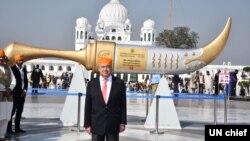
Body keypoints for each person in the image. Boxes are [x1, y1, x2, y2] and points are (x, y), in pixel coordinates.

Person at [84, 57, 127, 141]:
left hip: (113, 124)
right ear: (99, 68)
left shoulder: (119, 83)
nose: (105, 69)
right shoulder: (92, 84)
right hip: (96, 124)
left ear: (111, 68)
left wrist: (123, 122)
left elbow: (123, 104)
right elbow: (88, 105)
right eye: (103, 67)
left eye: (107, 67)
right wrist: (87, 124)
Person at [7, 54, 28, 133]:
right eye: (19, 60)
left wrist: (25, 90)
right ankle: (9, 129)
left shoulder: (24, 69)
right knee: (12, 111)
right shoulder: (12, 69)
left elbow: (25, 81)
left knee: (20, 111)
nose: (20, 62)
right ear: (16, 61)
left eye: (21, 60)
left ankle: (17, 128)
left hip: (22, 93)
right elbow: (10, 81)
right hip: (14, 93)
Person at [0, 50, 16, 141]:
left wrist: (10, 89)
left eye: (2, 58)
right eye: (0, 58)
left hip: (8, 96)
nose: (1, 59)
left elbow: (14, 80)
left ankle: (1, 136)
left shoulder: (8, 68)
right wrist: (3, 89)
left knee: (6, 117)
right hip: (0, 95)